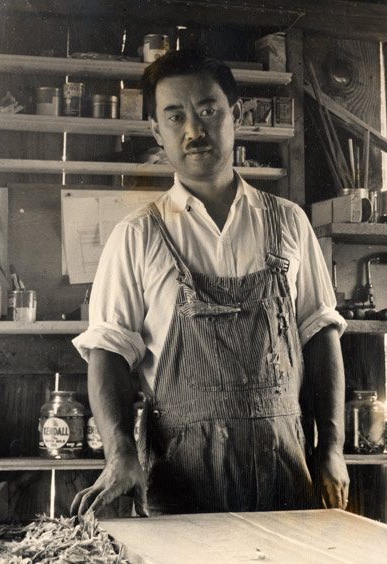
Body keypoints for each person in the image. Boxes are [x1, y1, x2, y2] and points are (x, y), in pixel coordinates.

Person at [70, 49, 348, 517]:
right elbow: (109, 354)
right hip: (182, 479)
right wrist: (119, 454)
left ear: (234, 116)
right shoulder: (137, 236)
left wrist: (332, 448)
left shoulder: (289, 223)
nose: (194, 130)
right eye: (175, 116)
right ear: (158, 132)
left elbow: (321, 339)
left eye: (208, 110)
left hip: (286, 471)